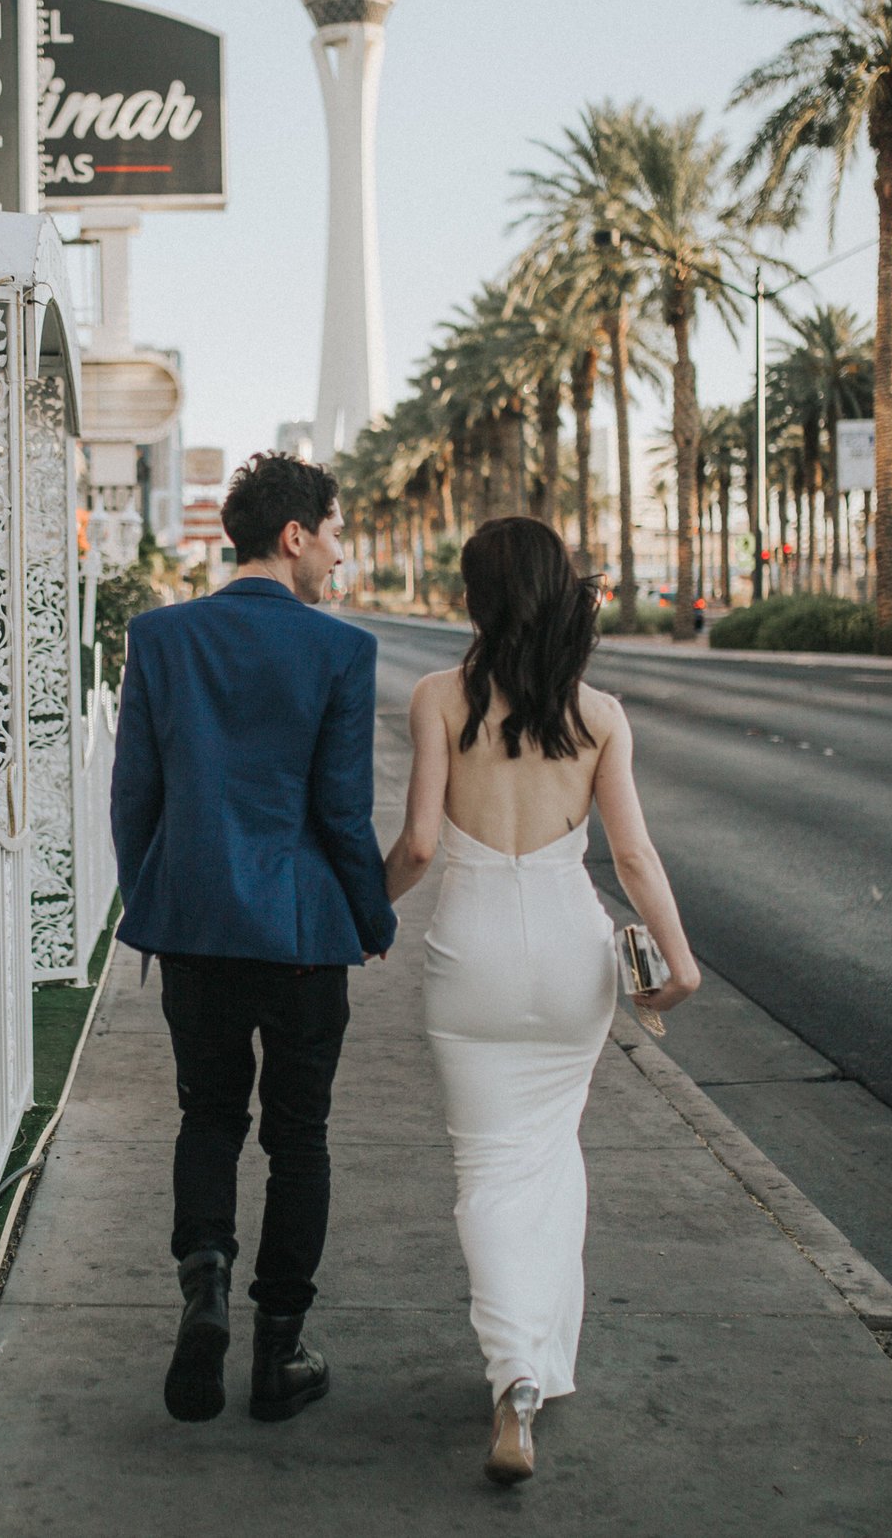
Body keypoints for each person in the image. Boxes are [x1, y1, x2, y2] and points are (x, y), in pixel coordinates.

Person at [381, 515, 703, 1485]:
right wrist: (680, 965)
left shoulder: (437, 698)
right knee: (551, 1151)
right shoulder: (599, 713)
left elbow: (420, 847)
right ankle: (530, 1371)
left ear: (475, 597)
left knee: (487, 1167)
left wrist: (355, 910)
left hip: (470, 953)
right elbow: (634, 857)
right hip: (572, 955)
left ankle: (515, 1372)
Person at [110, 453, 398, 1426]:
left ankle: (204, 1284)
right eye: (335, 530)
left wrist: (156, 896)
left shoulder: (158, 636)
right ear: (293, 536)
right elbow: (342, 814)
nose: (340, 550)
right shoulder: (340, 652)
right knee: (298, 1136)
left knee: (207, 1113)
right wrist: (374, 915)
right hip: (303, 930)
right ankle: (278, 1352)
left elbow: (134, 800)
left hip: (196, 927)